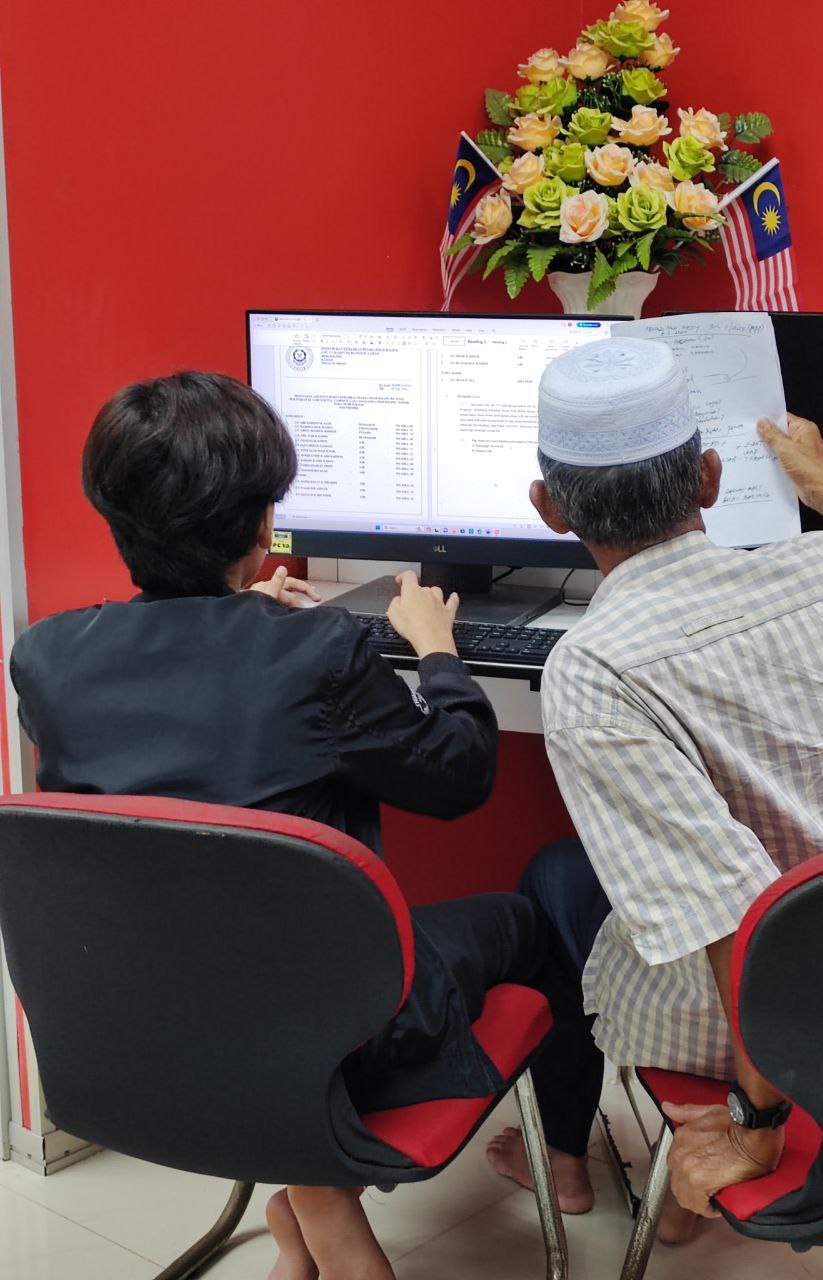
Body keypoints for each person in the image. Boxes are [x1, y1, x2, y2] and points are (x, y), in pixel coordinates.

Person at [10, 371, 546, 1280]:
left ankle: (312, 1212)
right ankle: (558, 1167)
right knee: (530, 916)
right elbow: (459, 778)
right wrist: (438, 653)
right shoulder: (323, 651)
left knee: (250, 954)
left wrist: (260, 625)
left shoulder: (46, 658)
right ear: (262, 526)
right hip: (329, 1044)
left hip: (129, 1037)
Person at [485, 337, 823, 1240]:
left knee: (551, 879)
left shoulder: (593, 666)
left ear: (548, 508)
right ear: (708, 478)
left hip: (774, 1025)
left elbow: (731, 915)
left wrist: (755, 1130)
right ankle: (651, 1180)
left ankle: (570, 1154)